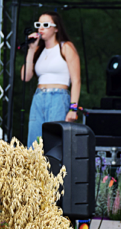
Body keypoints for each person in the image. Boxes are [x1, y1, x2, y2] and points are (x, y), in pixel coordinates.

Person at [20, 11, 82, 148]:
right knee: (34, 143)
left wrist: (73, 107)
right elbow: (25, 77)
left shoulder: (65, 47)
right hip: (39, 97)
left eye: (46, 25)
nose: (41, 28)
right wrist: (31, 50)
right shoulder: (38, 51)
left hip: (58, 97)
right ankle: (35, 169)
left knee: (53, 143)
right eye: (39, 24)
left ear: (56, 28)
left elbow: (76, 80)